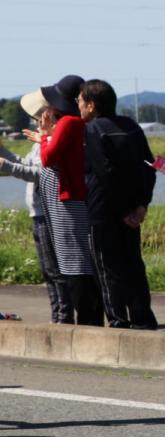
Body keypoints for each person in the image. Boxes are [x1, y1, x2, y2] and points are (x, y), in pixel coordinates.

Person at [79, 79, 159, 329]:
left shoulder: (94, 129)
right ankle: (143, 318)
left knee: (107, 267)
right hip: (133, 210)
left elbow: (105, 172)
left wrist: (124, 210)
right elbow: (150, 167)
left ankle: (118, 321)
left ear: (91, 105)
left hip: (105, 210)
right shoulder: (132, 126)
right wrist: (141, 205)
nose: (78, 106)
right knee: (133, 263)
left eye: (80, 102)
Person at [27, 75, 104, 325]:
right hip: (73, 200)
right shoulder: (76, 123)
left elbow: (49, 158)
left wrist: (45, 136)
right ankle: (89, 316)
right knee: (77, 258)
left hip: (68, 201)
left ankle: (86, 319)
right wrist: (47, 136)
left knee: (74, 261)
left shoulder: (69, 123)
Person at [0, 90, 71, 322]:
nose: (36, 120)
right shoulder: (40, 142)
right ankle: (57, 316)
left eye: (38, 115)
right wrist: (3, 153)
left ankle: (63, 317)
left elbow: (40, 174)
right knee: (48, 271)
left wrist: (8, 167)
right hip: (39, 211)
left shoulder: (50, 142)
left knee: (54, 270)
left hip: (47, 211)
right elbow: (25, 164)